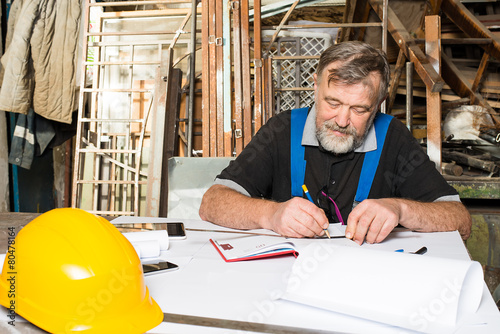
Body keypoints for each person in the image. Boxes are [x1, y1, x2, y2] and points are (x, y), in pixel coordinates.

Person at [199, 41, 471, 245]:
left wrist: (401, 209)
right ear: (315, 86)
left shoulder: (393, 137)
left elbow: (461, 221)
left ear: (379, 104)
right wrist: (271, 214)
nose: (342, 120)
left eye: (359, 109)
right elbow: (212, 203)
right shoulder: (282, 129)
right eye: (333, 103)